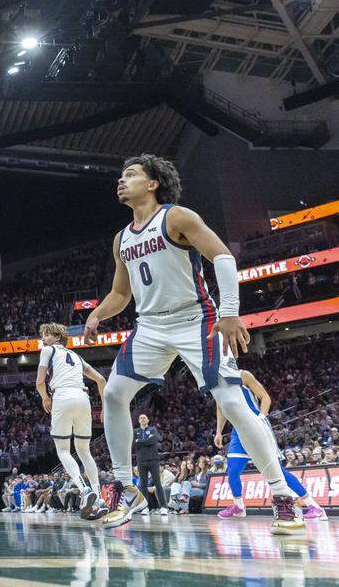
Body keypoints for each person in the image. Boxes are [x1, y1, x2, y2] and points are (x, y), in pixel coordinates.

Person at [84, 154, 304, 533]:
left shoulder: (176, 217)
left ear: (153, 184)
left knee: (233, 402)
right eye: (121, 176)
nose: (122, 180)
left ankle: (282, 494)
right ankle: (124, 486)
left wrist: (230, 312)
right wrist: (98, 313)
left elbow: (221, 256)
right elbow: (122, 294)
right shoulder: (121, 239)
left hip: (196, 318)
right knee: (114, 393)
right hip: (150, 325)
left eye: (132, 175)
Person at [214, 369, 326, 520]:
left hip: (256, 424)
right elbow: (221, 408)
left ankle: (314, 506)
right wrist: (219, 432)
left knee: (277, 471)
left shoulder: (243, 375)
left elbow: (265, 397)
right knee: (233, 470)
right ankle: (239, 507)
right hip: (237, 431)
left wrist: (260, 418)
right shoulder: (215, 383)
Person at [35, 322, 106, 519]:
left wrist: (45, 398)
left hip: (63, 396)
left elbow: (40, 382)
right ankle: (99, 499)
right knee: (84, 451)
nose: (43, 339)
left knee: (63, 450)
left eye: (46, 335)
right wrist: (105, 407)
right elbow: (101, 380)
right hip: (83, 398)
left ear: (57, 338)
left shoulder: (48, 350)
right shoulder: (76, 356)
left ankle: (84, 491)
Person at [132, 414, 168, 517]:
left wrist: (140, 441)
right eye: (140, 418)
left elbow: (153, 440)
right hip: (141, 461)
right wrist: (144, 441)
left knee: (157, 483)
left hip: (153, 460)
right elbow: (134, 444)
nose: (142, 419)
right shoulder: (135, 431)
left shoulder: (153, 429)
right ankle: (145, 508)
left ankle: (164, 507)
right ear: (139, 421)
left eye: (144, 418)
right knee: (143, 484)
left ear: (148, 420)